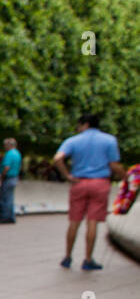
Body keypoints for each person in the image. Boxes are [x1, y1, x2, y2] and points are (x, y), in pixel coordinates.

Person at [54, 114, 123, 270]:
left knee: (74, 221)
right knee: (92, 221)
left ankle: (67, 257)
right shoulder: (109, 140)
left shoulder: (72, 140)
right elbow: (114, 165)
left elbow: (58, 158)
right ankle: (88, 259)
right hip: (100, 183)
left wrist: (67, 175)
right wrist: (127, 178)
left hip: (78, 182)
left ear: (84, 124)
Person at [0, 138, 20, 223]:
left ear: (9, 145)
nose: (4, 147)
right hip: (14, 177)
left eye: (5, 145)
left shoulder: (9, 154)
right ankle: (10, 217)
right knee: (10, 198)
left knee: (4, 198)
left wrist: (1, 177)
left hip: (8, 178)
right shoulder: (17, 153)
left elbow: (6, 167)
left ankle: (4, 217)